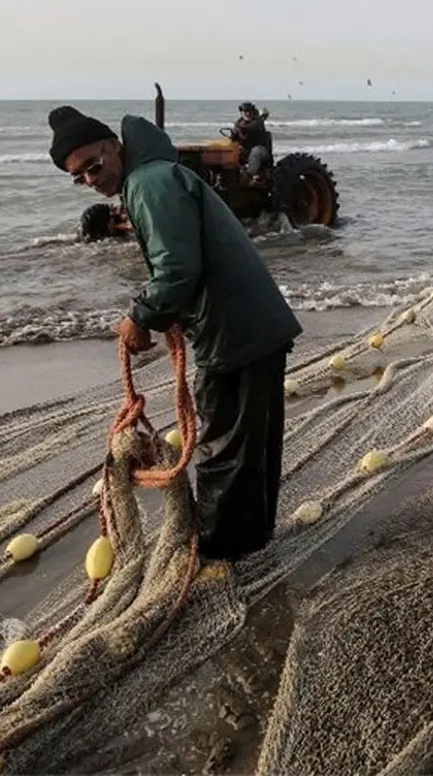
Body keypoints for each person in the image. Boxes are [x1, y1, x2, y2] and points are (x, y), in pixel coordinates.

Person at [47, 105, 303, 562]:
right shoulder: (156, 174)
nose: (89, 178)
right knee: (251, 448)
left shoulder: (148, 183)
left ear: (113, 146)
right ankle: (251, 542)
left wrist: (141, 317)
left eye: (92, 165)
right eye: (77, 176)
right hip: (254, 325)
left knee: (225, 450)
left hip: (235, 333)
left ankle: (218, 556)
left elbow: (178, 268)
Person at [233, 102, 272, 176]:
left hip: (261, 148)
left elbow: (250, 127)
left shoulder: (257, 121)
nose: (247, 114)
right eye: (245, 112)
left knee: (255, 152)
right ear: (241, 112)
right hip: (246, 148)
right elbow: (235, 137)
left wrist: (262, 118)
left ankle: (249, 175)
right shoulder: (239, 122)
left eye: (249, 111)